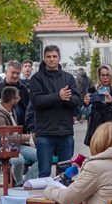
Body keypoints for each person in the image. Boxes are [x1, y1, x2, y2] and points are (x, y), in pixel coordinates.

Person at [30, 46, 81, 177]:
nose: (51, 59)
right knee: (45, 172)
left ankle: (66, 197)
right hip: (45, 133)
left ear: (59, 58)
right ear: (44, 58)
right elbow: (36, 101)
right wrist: (58, 96)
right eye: (48, 57)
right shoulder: (37, 78)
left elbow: (76, 100)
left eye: (54, 56)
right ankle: (44, 197)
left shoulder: (69, 78)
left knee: (67, 173)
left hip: (65, 132)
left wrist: (66, 99)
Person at [81, 64, 112, 146]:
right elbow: (86, 113)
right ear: (99, 76)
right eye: (103, 75)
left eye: (108, 75)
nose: (105, 78)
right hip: (96, 129)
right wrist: (86, 104)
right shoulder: (92, 90)